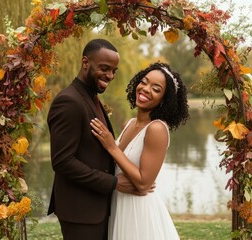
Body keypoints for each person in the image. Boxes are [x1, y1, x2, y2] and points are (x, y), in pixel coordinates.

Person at [47, 39, 142, 240]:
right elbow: (62, 161)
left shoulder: (90, 97)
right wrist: (114, 183)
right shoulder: (69, 101)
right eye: (105, 68)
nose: (110, 76)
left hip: (95, 208)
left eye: (114, 71)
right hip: (80, 211)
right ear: (85, 63)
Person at [90, 62, 190, 240]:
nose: (145, 89)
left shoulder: (157, 129)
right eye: (144, 81)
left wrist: (111, 146)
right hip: (119, 204)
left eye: (156, 89)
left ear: (164, 100)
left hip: (139, 211)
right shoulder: (129, 124)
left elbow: (144, 183)